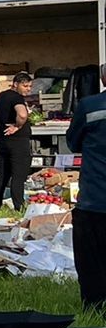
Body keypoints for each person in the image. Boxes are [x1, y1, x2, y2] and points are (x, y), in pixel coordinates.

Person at [65, 66, 106, 307]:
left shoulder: (89, 107)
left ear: (102, 79)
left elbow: (73, 142)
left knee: (92, 262)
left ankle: (95, 308)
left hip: (94, 198)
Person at [0, 71, 35, 211]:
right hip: (18, 141)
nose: (28, 89)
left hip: (3, 140)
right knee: (19, 175)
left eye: (29, 86)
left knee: (2, 173)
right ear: (15, 84)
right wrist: (18, 126)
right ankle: (19, 207)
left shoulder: (2, 96)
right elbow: (22, 114)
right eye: (25, 86)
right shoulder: (16, 98)